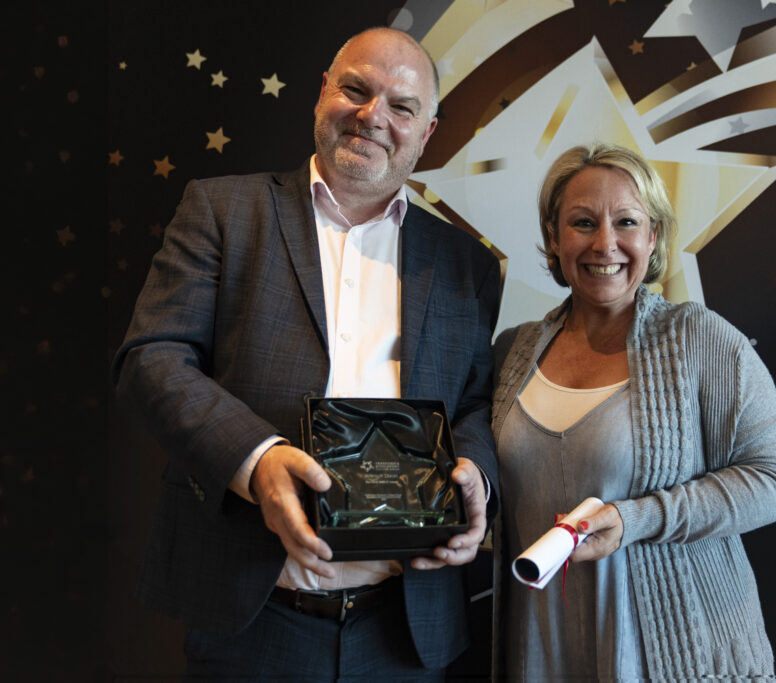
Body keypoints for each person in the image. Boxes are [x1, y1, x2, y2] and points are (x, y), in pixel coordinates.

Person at [113, 27, 501, 680]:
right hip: (254, 615)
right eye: (356, 89)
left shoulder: (468, 264)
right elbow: (151, 359)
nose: (372, 116)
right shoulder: (223, 209)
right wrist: (256, 460)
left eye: (402, 107)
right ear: (322, 93)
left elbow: (474, 403)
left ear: (427, 132)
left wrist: (476, 479)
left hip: (405, 627)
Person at [491, 143, 776, 680]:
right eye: (583, 222)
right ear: (554, 237)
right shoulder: (511, 352)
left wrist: (638, 518)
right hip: (541, 650)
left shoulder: (699, 339)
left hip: (675, 656)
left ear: (652, 236)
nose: (604, 243)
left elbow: (775, 482)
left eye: (627, 222)